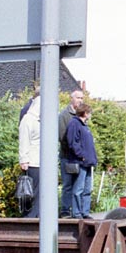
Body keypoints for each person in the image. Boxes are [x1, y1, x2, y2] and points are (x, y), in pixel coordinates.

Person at [65, 103, 97, 219]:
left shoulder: (84, 126)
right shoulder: (74, 124)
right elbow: (73, 143)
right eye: (89, 112)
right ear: (85, 113)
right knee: (78, 188)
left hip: (88, 162)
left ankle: (85, 212)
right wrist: (81, 155)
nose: (90, 115)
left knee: (87, 189)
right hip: (80, 162)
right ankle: (77, 213)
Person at [58, 89, 84, 218]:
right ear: (71, 99)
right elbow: (63, 137)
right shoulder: (64, 115)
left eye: (82, 98)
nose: (80, 100)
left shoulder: (81, 116)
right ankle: (65, 210)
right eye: (78, 98)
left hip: (78, 158)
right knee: (68, 184)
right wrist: (74, 151)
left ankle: (76, 211)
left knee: (78, 186)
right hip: (67, 157)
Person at [18, 95, 41, 217]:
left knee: (40, 192)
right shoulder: (28, 120)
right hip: (33, 162)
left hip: (41, 161)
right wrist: (24, 160)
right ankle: (31, 217)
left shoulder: (40, 121)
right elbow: (24, 140)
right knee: (34, 192)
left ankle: (38, 216)